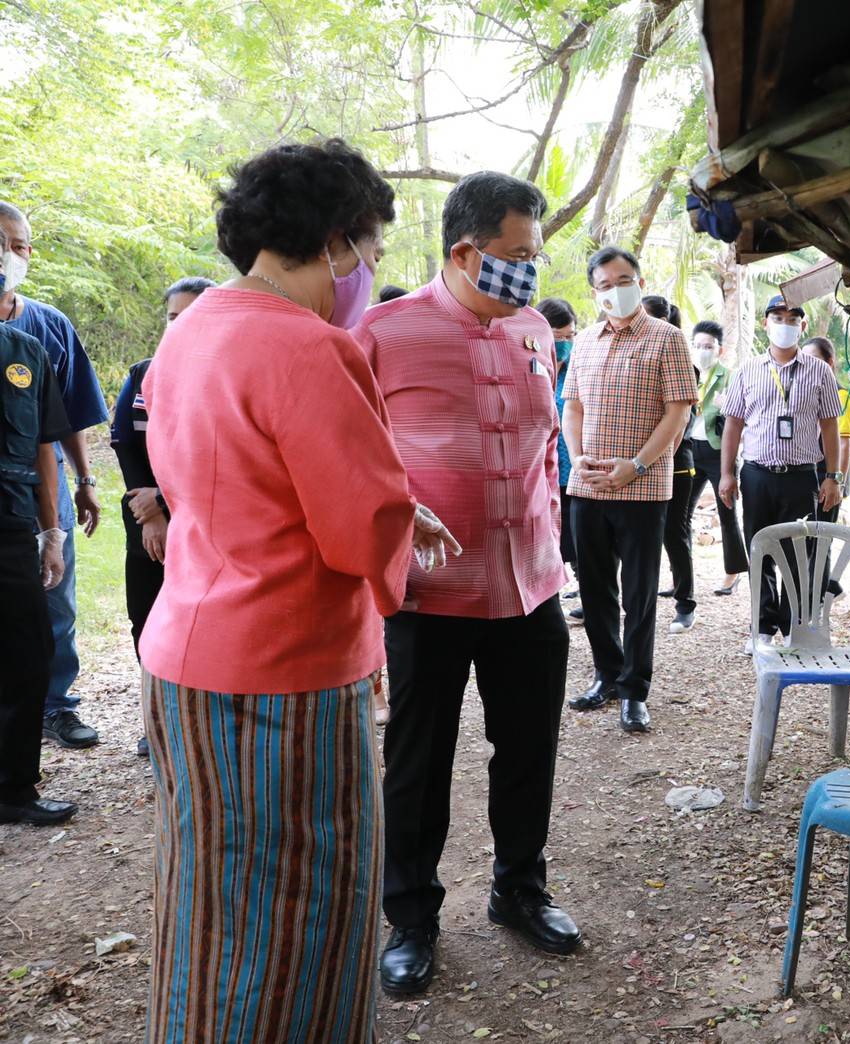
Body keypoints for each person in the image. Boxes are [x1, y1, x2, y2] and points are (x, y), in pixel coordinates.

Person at [139, 138, 459, 1043]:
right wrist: (400, 526)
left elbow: (234, 481)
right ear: (332, 241)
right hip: (286, 672)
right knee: (300, 909)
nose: (362, 273)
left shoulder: (190, 330)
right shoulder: (312, 348)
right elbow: (358, 525)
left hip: (185, 654)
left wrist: (394, 509)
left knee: (207, 894)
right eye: (367, 250)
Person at [359, 170, 579, 994]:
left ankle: (519, 889)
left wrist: (553, 541)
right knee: (418, 760)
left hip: (530, 587)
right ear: (464, 251)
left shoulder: (532, 329)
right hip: (429, 594)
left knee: (528, 748)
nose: (530, 272)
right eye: (517, 255)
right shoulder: (383, 333)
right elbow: (351, 458)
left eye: (535, 254)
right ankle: (410, 917)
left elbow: (544, 451)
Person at [562, 247, 697, 732]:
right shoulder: (584, 342)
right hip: (589, 485)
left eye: (623, 280)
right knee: (595, 590)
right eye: (604, 285)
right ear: (594, 292)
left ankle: (635, 689)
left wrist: (636, 466)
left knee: (638, 595)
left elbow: (678, 411)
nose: (615, 291)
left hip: (643, 489)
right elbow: (571, 407)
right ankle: (606, 675)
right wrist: (577, 457)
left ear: (639, 282)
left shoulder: (667, 338)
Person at [0, 201, 108, 751]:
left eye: (18, 247)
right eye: (1, 246)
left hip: (45, 486)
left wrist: (86, 482)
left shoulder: (48, 326)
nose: (10, 257)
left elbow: (68, 417)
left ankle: (58, 705)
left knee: (55, 597)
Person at [110, 275, 215, 759]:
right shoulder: (142, 373)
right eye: (172, 316)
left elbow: (217, 456)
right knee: (146, 617)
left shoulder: (224, 375)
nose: (179, 325)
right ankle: (158, 718)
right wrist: (148, 510)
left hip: (202, 518)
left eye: (190, 315)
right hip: (145, 516)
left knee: (200, 621)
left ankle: (201, 718)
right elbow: (124, 441)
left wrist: (168, 504)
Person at [0, 221, 75, 827]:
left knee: (28, 653)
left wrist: (52, 533)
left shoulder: (27, 351)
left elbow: (45, 447)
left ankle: (14, 789)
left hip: (10, 527)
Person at [718, 295, 843, 645]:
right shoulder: (748, 370)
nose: (784, 325)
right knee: (759, 550)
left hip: (801, 475)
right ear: (765, 323)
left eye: (792, 319)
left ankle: (792, 627)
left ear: (803, 326)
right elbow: (733, 424)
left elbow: (830, 427)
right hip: (756, 475)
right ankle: (761, 628)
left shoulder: (819, 371)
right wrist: (727, 473)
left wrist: (833, 477)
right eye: (777, 317)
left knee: (798, 555)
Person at [642, 295, 701, 633]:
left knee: (673, 533)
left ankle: (685, 603)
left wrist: (655, 455)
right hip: (637, 462)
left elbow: (679, 422)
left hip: (675, 463)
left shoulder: (684, 364)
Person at [689, 319, 747, 594]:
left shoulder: (730, 377)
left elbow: (738, 417)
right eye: (698, 345)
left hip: (718, 451)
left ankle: (733, 573)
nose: (703, 351)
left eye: (708, 346)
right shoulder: (687, 374)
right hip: (689, 450)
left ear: (719, 350)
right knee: (680, 515)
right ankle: (682, 577)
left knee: (727, 513)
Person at [539, 296, 580, 616]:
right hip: (539, 477)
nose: (565, 343)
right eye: (559, 336)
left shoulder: (577, 370)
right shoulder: (532, 366)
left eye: (570, 336)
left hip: (573, 474)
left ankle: (588, 599)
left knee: (580, 546)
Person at [801, 336, 850, 523]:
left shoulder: (841, 397)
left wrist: (837, 482)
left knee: (822, 538)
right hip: (809, 475)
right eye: (804, 359)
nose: (809, 365)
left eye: (815, 359)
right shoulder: (806, 394)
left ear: (830, 362)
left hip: (828, 476)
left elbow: (844, 444)